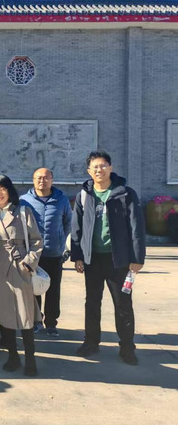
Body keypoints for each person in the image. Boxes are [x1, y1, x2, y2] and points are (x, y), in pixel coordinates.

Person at [71, 150, 145, 365]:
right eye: (95, 167)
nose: (99, 170)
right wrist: (78, 256)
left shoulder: (125, 193)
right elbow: (76, 227)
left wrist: (137, 258)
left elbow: (136, 226)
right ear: (89, 171)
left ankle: (127, 348)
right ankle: (91, 342)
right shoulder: (85, 194)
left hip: (118, 260)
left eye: (103, 165)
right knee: (92, 303)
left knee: (123, 304)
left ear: (110, 168)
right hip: (92, 259)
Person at [0, 175, 43, 376]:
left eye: (2, 189)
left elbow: (36, 241)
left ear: (9, 191)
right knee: (4, 316)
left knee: (25, 316)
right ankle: (12, 356)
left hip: (19, 266)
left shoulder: (23, 211)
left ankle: (30, 359)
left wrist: (28, 262)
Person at [20, 168, 72, 338]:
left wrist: (61, 243)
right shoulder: (24, 200)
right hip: (32, 254)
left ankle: (51, 323)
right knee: (33, 289)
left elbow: (68, 223)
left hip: (54, 253)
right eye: (39, 178)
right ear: (33, 180)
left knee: (53, 290)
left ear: (52, 180)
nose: (42, 181)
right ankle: (36, 321)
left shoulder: (61, 200)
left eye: (46, 178)